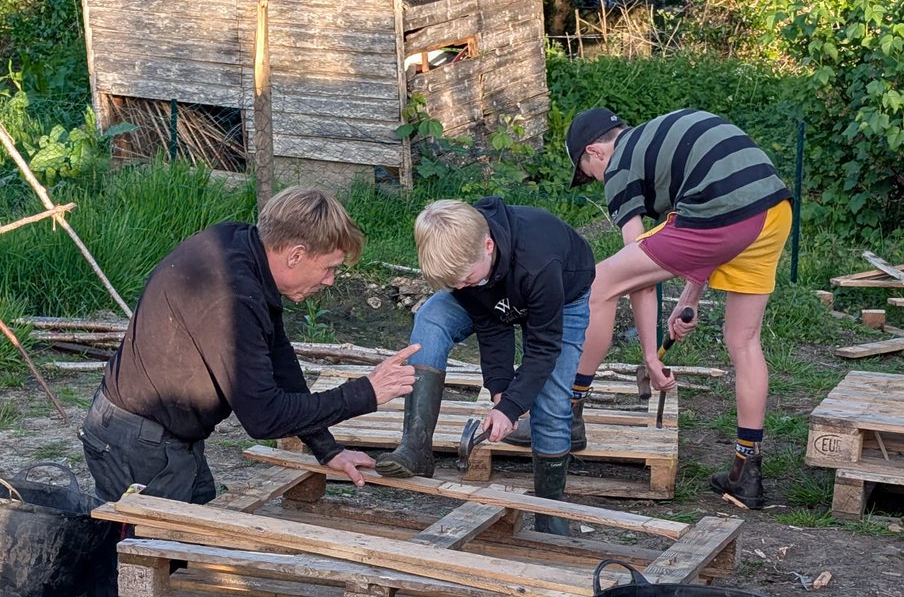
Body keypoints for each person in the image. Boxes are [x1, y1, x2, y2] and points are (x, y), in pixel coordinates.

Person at [79, 186, 418, 506]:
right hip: (138, 440)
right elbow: (264, 418)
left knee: (193, 536)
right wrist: (364, 393)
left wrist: (326, 448)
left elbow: (280, 361)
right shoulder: (230, 297)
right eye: (328, 268)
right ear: (296, 255)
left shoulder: (240, 247)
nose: (329, 280)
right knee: (148, 545)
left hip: (165, 433)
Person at [565, 107, 793, 509]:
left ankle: (567, 413)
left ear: (594, 152)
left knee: (598, 285)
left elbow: (638, 268)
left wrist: (651, 358)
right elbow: (698, 220)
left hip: (724, 211)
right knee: (743, 340)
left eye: (588, 173)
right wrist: (689, 300)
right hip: (774, 210)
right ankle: (746, 472)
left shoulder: (619, 163)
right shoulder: (657, 142)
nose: (597, 181)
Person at [375, 197, 595, 533]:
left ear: (488, 246)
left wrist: (513, 407)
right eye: (454, 284)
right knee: (431, 318)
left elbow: (543, 348)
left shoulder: (539, 261)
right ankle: (416, 447)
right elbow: (492, 323)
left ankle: (550, 515)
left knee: (551, 403)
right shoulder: (465, 265)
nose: (460, 287)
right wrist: (500, 391)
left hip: (561, 296)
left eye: (464, 279)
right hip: (498, 285)